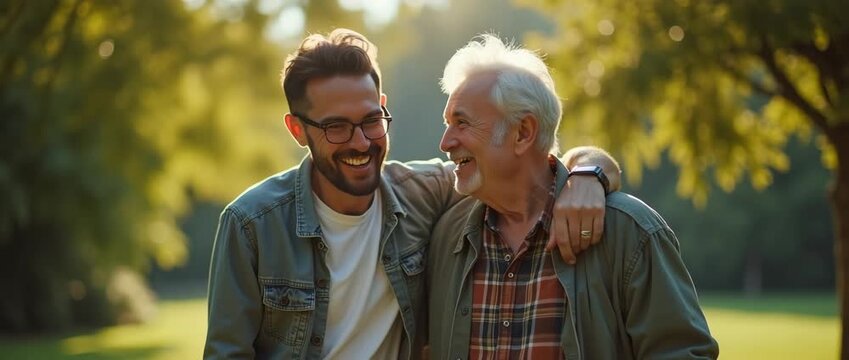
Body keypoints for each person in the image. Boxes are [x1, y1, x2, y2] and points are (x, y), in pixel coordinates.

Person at [203, 29, 619, 359]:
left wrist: (589, 172)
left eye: (371, 120)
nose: (362, 143)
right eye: (336, 127)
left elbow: (530, 167)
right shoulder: (251, 225)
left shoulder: (427, 193)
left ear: (383, 105)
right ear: (297, 130)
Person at [427, 34, 719, 359]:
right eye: (447, 123)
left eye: (461, 123)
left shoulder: (629, 232)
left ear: (523, 133)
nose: (445, 142)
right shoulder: (446, 237)